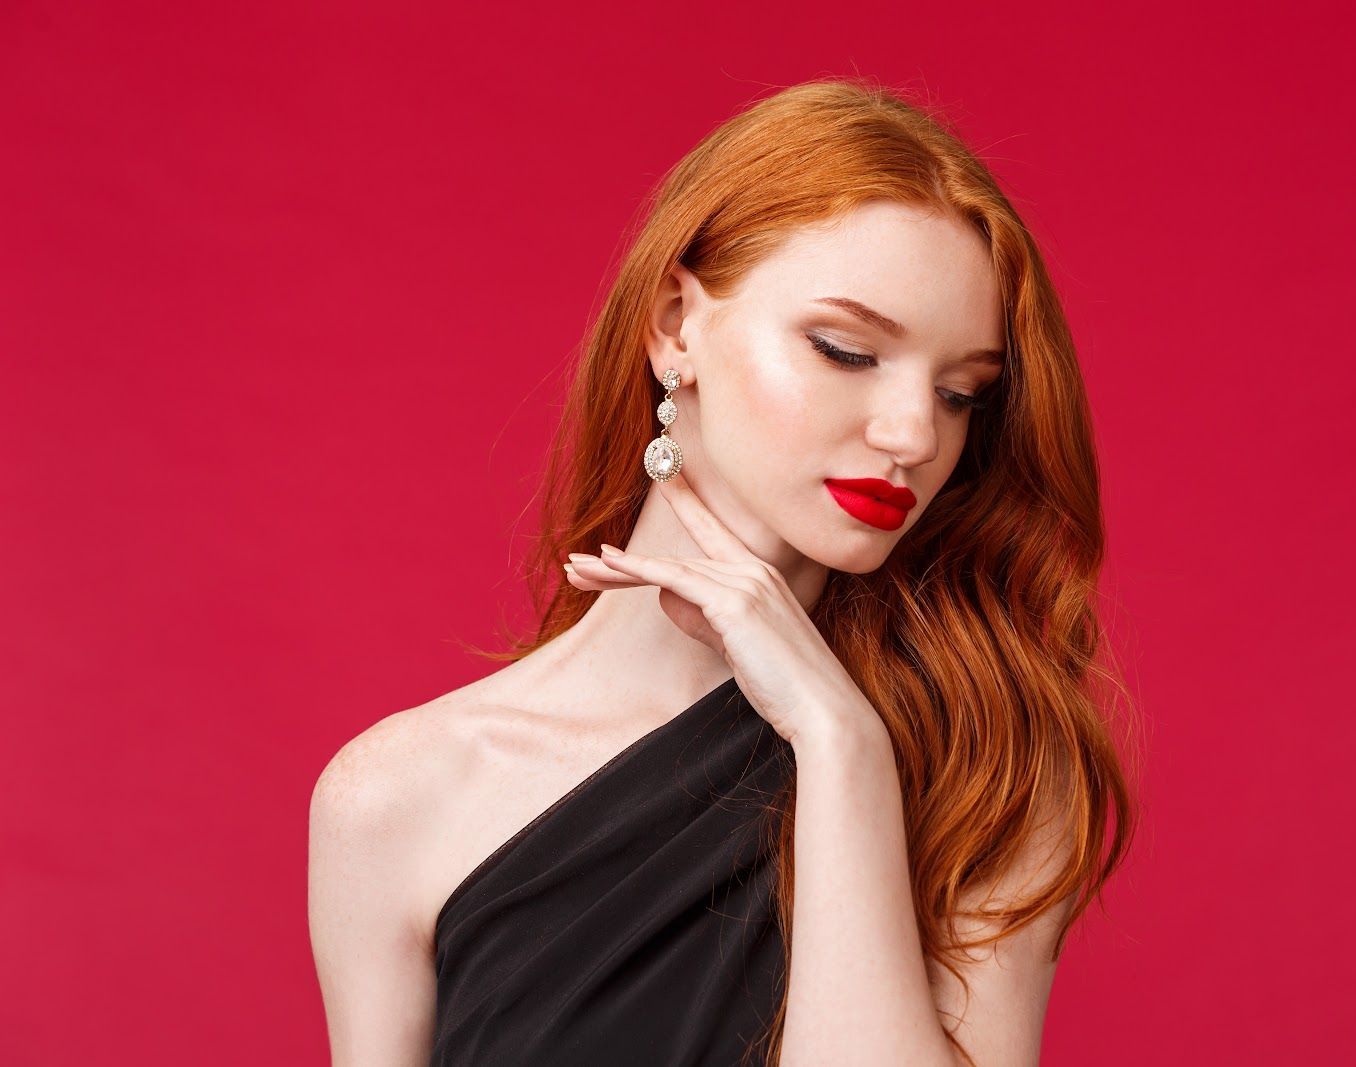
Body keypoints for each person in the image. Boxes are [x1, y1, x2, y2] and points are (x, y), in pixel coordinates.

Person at [308, 77, 1134, 1067]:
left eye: (960, 393)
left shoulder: (984, 765)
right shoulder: (398, 795)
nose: (914, 432)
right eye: (845, 350)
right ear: (675, 326)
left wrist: (838, 744)